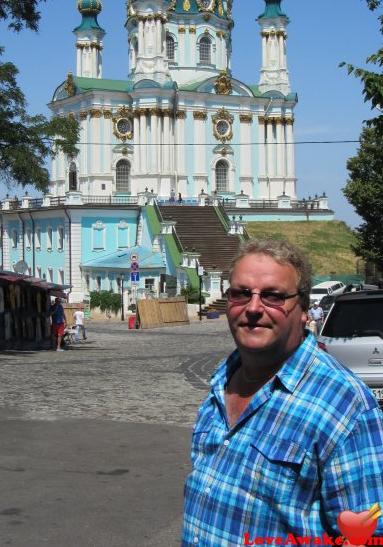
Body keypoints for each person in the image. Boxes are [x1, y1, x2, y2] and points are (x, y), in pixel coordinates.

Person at [182, 239, 383, 546]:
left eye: (273, 296)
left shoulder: (346, 406)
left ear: (304, 310)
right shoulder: (222, 381)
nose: (252, 308)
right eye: (241, 293)